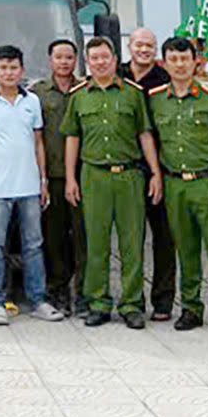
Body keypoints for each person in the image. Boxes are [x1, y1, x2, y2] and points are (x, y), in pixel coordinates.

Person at [62, 34, 162, 329]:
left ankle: (131, 304)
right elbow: (72, 138)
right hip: (93, 176)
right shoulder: (79, 96)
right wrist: (70, 178)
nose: (100, 63)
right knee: (96, 243)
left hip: (130, 175)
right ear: (88, 63)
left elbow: (145, 134)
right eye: (94, 59)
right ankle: (98, 302)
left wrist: (155, 172)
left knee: (133, 243)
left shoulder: (132, 93)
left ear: (115, 60)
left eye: (105, 57)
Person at [148, 35, 208, 338]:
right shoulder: (156, 99)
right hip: (175, 184)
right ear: (164, 63)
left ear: (196, 63)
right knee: (186, 252)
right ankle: (191, 308)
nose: (179, 65)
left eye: (184, 59)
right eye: (173, 60)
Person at [0, 44, 64, 325]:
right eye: (3, 68)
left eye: (14, 67)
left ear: (22, 71)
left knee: (34, 245)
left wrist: (43, 180)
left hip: (30, 188)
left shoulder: (32, 101)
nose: (9, 73)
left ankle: (38, 300)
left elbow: (38, 143)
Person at [120, 26, 176, 322]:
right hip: (126, 168)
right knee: (131, 239)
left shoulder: (166, 80)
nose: (144, 50)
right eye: (139, 44)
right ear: (129, 46)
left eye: (150, 46)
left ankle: (164, 300)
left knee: (164, 237)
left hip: (160, 169)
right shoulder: (114, 75)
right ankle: (132, 300)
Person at [32, 38, 86, 314]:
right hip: (51, 176)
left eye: (69, 57)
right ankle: (58, 291)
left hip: (84, 175)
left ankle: (85, 292)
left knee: (83, 237)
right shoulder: (37, 93)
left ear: (75, 60)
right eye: (59, 57)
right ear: (50, 60)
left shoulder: (87, 89)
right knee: (53, 238)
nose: (64, 62)